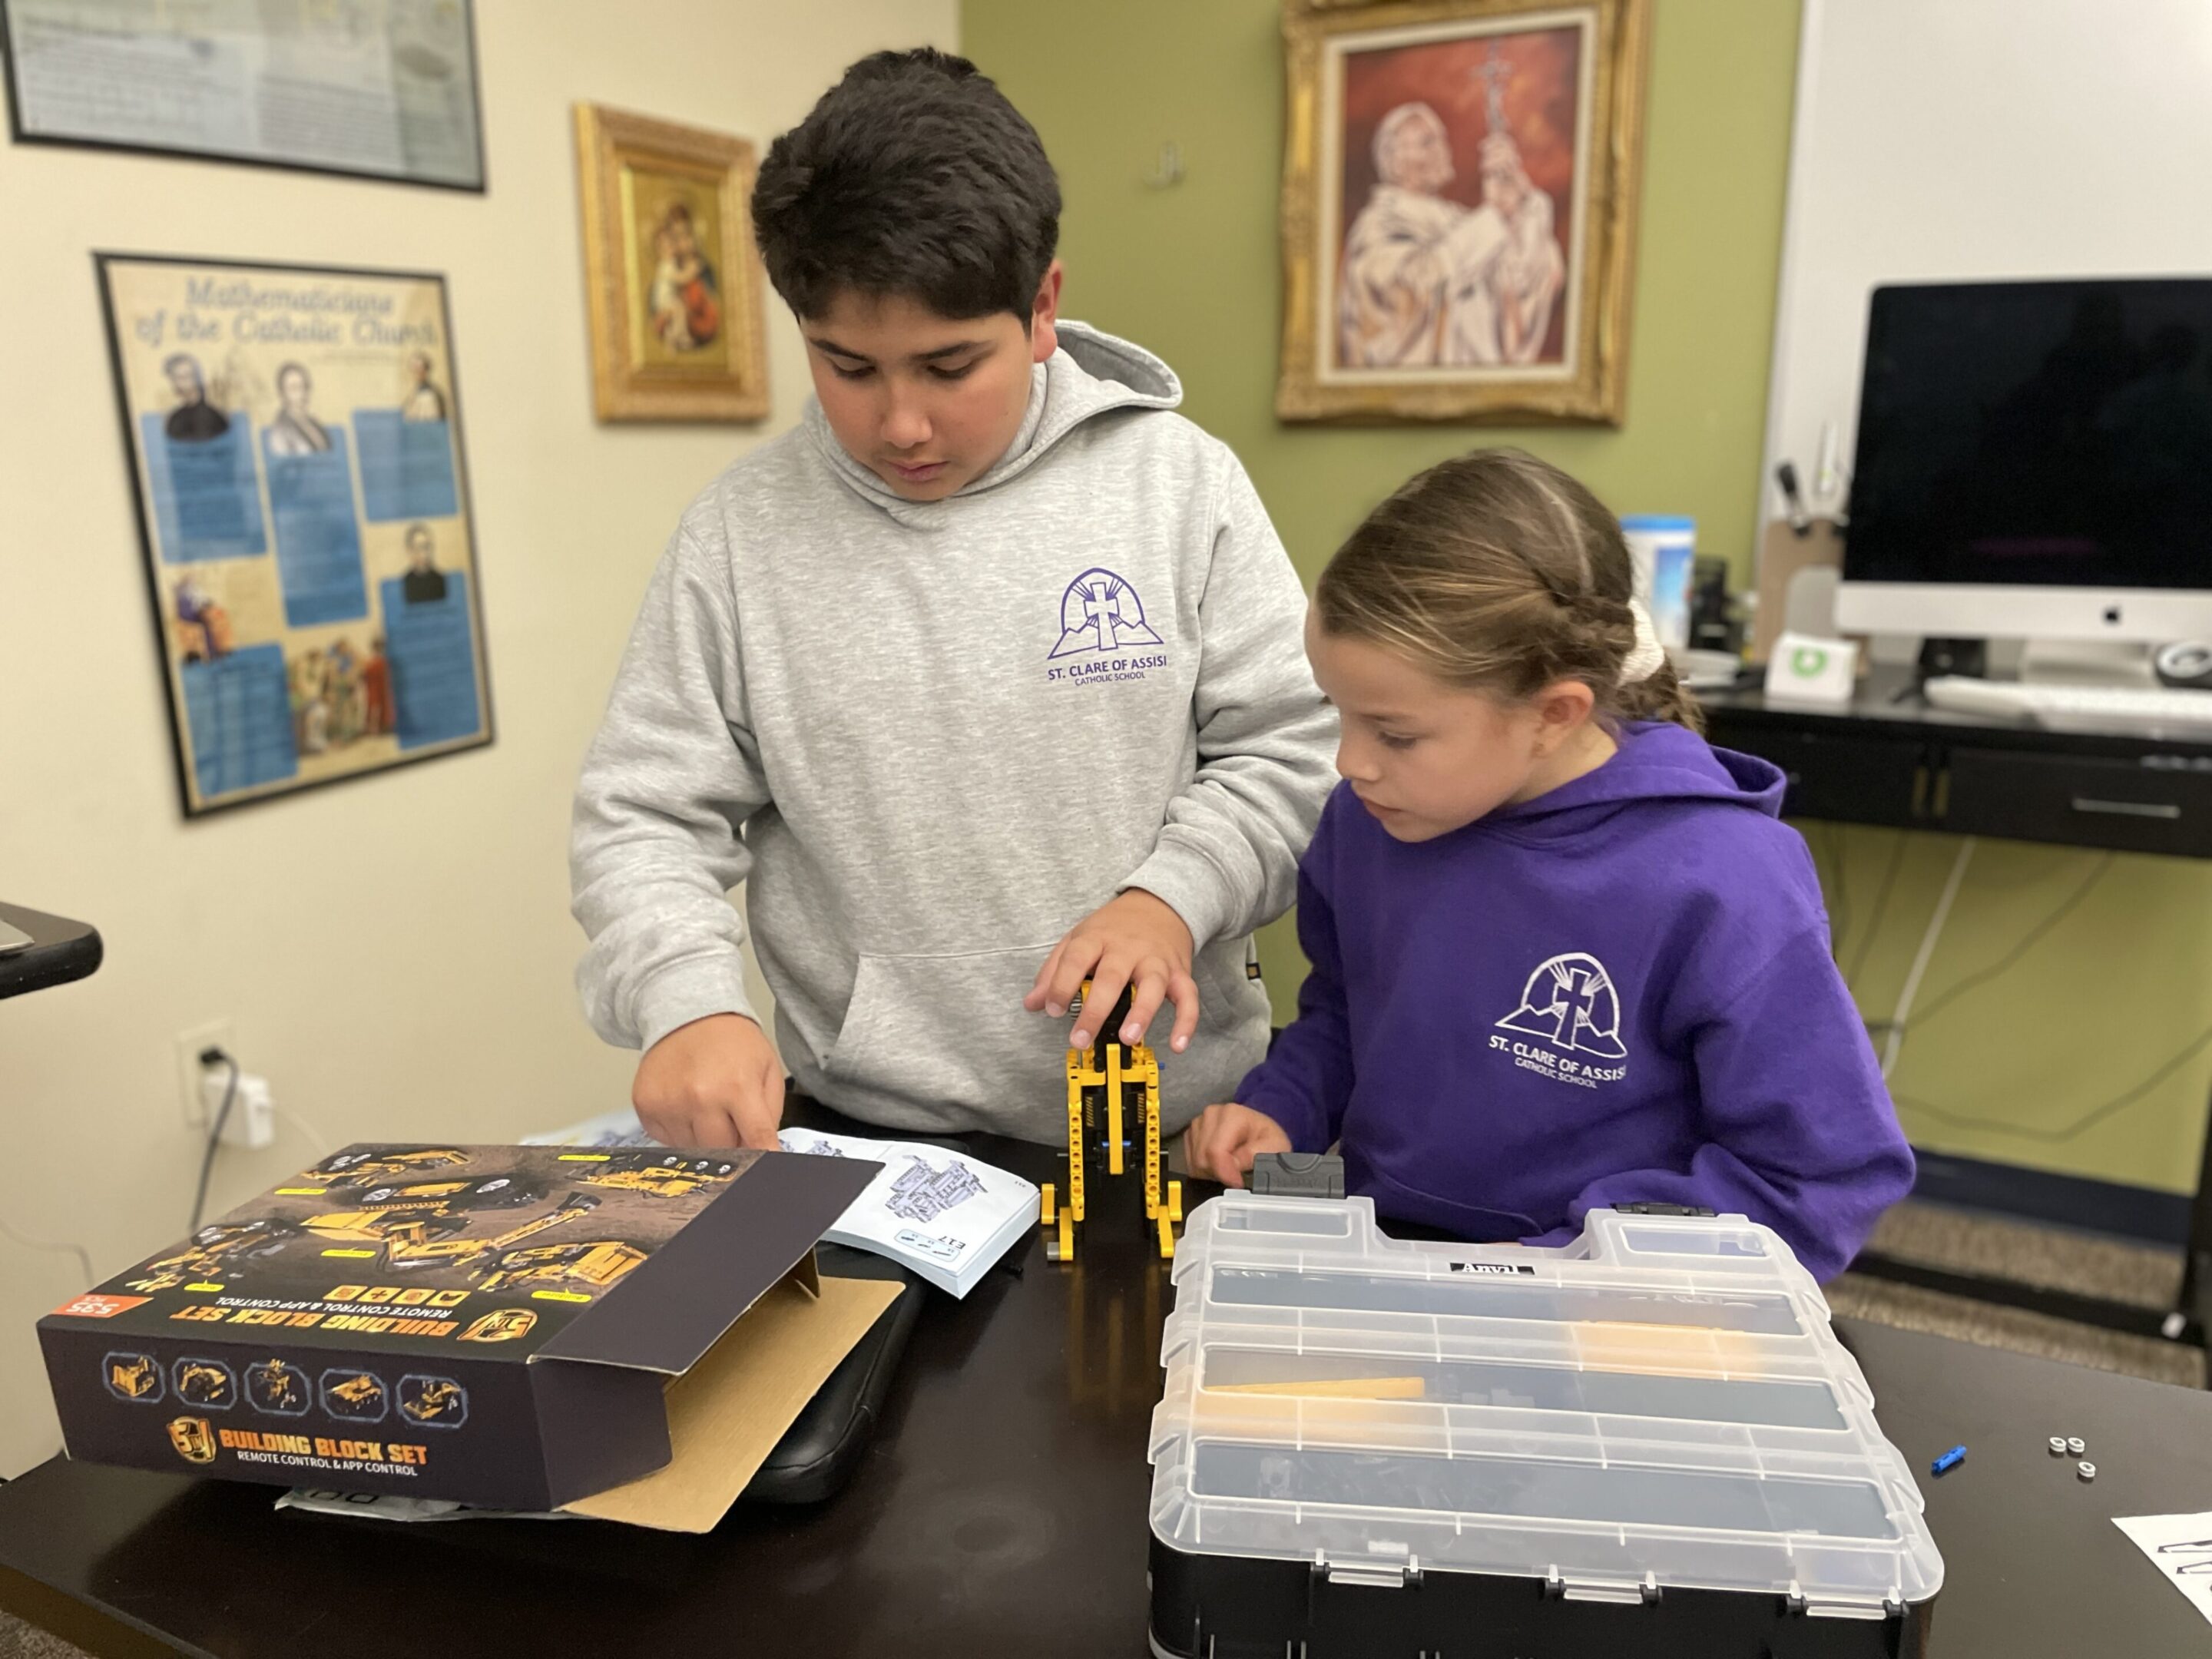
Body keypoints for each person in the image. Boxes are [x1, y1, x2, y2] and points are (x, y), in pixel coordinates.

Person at [571, 48, 1334, 1150]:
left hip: (1172, 1128)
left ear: (1041, 308)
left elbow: (1295, 753)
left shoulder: (1182, 483)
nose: (902, 425)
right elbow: (645, 814)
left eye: (947, 366)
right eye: (848, 366)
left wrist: (1171, 897)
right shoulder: (739, 537)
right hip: (873, 1139)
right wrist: (684, 999)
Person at [1184, 450, 1914, 1282]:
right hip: (1392, 1261)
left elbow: (1819, 1176)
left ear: (1554, 714)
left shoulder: (1725, 882)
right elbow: (1349, 1014)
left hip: (1610, 1304)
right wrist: (1285, 1110)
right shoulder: (1369, 820)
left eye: (1394, 733)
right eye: (1336, 713)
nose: (1349, 763)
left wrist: (1571, 1264)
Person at [1336, 103, 1564, 369]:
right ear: (1394, 160)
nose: (1443, 150)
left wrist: (1522, 207)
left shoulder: (1457, 220)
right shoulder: (1377, 226)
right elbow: (1414, 283)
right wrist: (1493, 216)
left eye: (1442, 140)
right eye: (1428, 142)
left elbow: (1520, 283)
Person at [267, 363, 333, 456]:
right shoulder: (280, 430)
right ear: (283, 394)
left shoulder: (314, 424)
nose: (302, 393)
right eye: (294, 388)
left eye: (304, 387)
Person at [162, 355, 229, 442]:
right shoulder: (175, 420)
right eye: (175, 379)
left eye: (184, 377)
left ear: (197, 378)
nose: (177, 383)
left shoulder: (217, 418)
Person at [400, 523, 447, 603]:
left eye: (427, 546)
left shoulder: (440, 579)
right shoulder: (405, 582)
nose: (425, 553)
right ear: (411, 551)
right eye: (420, 547)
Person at [402, 351, 448, 422]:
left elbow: (433, 421)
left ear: (426, 370)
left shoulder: (431, 395)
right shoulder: (413, 392)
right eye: (413, 368)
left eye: (419, 368)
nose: (415, 372)